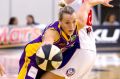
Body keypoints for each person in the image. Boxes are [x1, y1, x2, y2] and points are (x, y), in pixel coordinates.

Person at [18, 0, 113, 79]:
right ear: (60, 22)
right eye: (67, 22)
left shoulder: (78, 24)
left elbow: (88, 3)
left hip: (52, 57)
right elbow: (46, 44)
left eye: (73, 22)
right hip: (34, 56)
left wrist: (101, 1)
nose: (72, 26)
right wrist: (47, 49)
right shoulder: (53, 32)